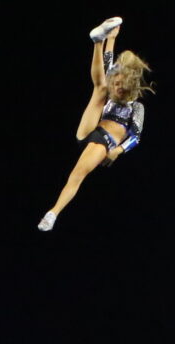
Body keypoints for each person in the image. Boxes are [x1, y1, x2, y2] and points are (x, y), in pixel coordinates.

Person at [38, 19, 152, 231]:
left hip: (104, 141)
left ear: (129, 86)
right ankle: (97, 40)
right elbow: (107, 66)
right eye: (115, 84)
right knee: (100, 87)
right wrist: (110, 38)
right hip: (90, 131)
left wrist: (118, 150)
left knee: (77, 175)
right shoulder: (109, 91)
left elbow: (136, 136)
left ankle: (52, 213)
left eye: (120, 86)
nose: (116, 88)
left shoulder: (136, 107)